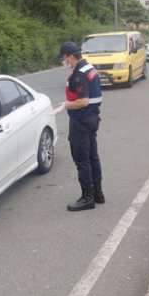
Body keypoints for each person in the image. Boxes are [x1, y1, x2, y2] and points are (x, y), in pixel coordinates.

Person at [58, 41, 104, 211]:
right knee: (93, 157)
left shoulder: (79, 75)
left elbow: (83, 101)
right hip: (92, 119)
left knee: (82, 160)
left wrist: (66, 105)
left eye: (64, 58)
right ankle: (98, 193)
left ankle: (87, 197)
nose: (64, 62)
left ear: (71, 56)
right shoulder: (90, 69)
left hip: (81, 121)